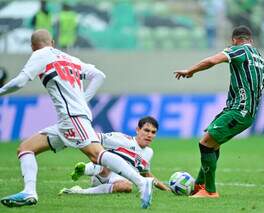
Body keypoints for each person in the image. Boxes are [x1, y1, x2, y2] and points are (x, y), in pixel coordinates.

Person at [0, 29, 154, 209]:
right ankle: (29, 192)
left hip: (72, 117)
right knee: (26, 148)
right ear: (53, 43)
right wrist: (83, 100)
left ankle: (142, 182)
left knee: (97, 155)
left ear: (32, 47)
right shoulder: (69, 59)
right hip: (69, 119)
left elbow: (20, 82)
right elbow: (99, 75)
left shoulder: (40, 55)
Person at [174, 25, 264, 198]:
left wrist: (190, 71)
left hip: (240, 110)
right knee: (213, 143)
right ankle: (199, 185)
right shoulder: (261, 59)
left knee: (206, 143)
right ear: (251, 40)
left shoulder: (237, 51)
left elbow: (211, 61)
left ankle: (209, 191)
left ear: (234, 40)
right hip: (244, 113)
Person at [59, 116, 170, 195]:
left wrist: (166, 189)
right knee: (108, 158)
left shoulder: (149, 152)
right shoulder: (122, 139)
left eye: (153, 132)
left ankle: (78, 191)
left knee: (126, 187)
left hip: (119, 181)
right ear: (137, 130)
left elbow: (146, 174)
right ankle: (86, 169)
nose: (149, 135)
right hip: (103, 175)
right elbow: (94, 137)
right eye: (146, 130)